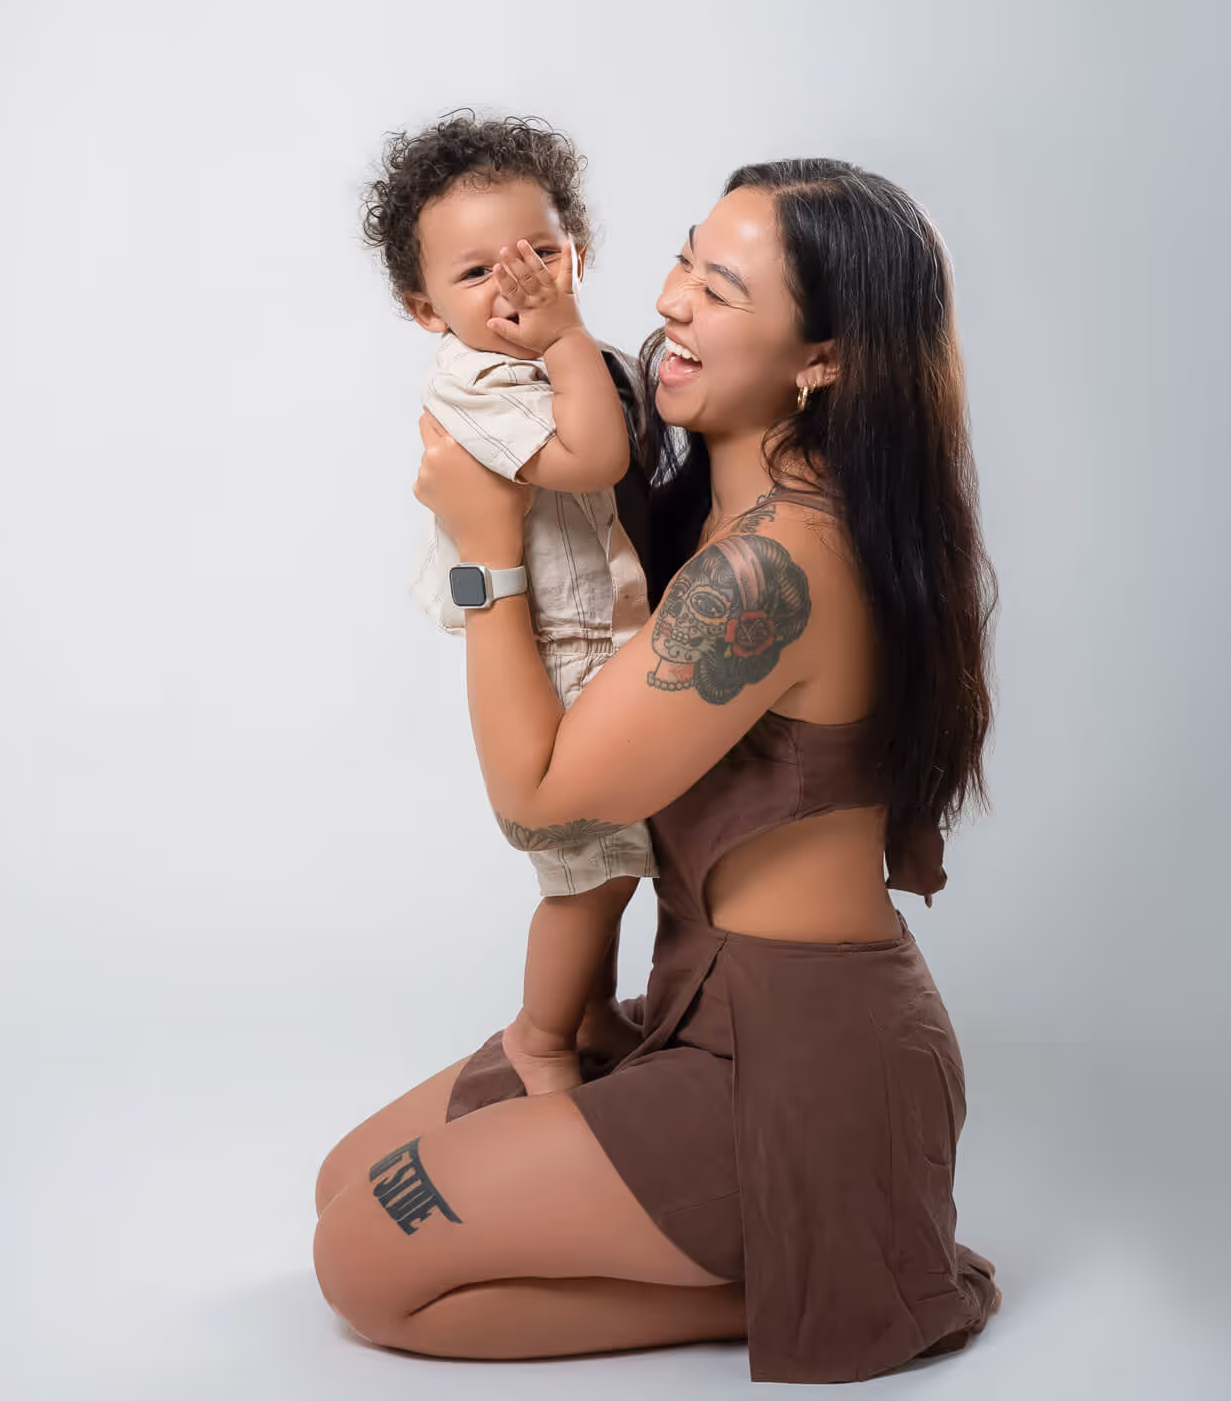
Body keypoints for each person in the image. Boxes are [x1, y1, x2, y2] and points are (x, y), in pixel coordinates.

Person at [315, 158, 1003, 1384]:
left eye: (723, 290)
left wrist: (486, 557)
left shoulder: (772, 570)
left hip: (797, 1063)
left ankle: (801, 1262)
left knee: (367, 1262)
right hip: (693, 1004)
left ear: (823, 361)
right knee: (342, 1186)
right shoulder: (710, 520)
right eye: (686, 258)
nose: (674, 300)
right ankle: (773, 1240)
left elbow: (540, 795)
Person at [362, 112, 655, 1096]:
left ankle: (596, 1012)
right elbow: (595, 457)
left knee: (614, 861)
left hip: (596, 632)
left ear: (579, 251)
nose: (515, 285)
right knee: (580, 870)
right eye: (477, 273)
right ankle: (539, 1034)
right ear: (425, 309)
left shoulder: (568, 355)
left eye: (538, 253)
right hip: (550, 648)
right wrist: (566, 335)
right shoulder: (478, 376)